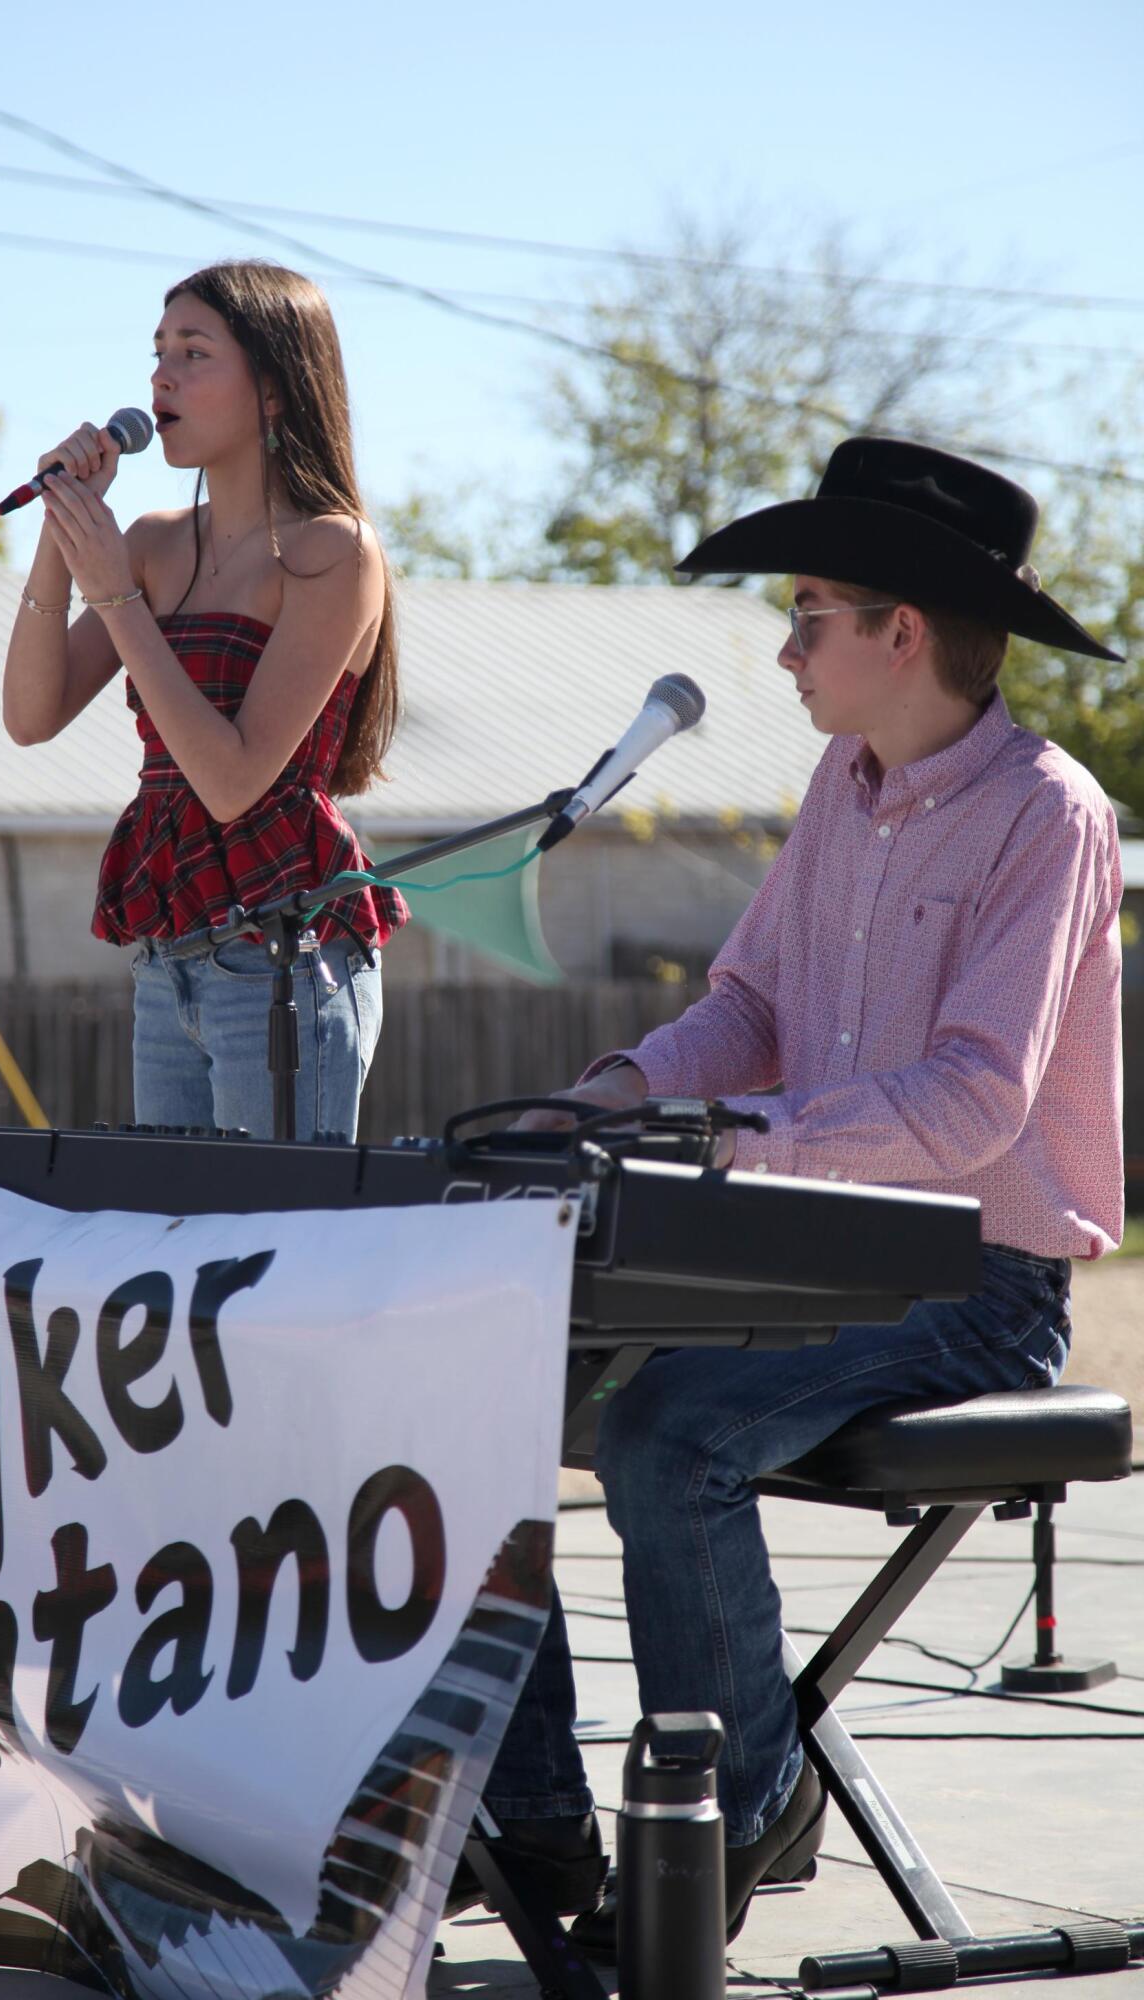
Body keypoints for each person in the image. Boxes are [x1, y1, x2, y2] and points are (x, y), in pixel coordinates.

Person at [455, 437, 1125, 1949]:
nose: (780, 648)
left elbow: (972, 1102)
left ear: (905, 632)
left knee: (662, 1430)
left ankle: (740, 1806)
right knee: (471, 1387)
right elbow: (746, 1004)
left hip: (974, 1293)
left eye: (808, 612)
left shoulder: (1050, 813)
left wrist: (734, 1142)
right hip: (799, 1258)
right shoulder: (845, 778)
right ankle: (542, 1827)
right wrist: (617, 1092)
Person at [3, 260, 407, 1140]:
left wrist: (114, 595)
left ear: (273, 391)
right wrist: (61, 529)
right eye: (158, 353)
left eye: (194, 353)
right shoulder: (149, 544)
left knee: (271, 1250)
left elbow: (233, 782)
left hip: (285, 956)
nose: (161, 377)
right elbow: (30, 718)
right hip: (169, 955)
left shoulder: (335, 550)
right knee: (175, 1237)